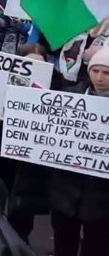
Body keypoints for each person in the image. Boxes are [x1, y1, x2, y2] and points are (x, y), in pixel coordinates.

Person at [47, 46, 109, 256]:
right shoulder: (67, 97)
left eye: (107, 73)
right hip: (65, 192)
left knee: (96, 247)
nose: (99, 77)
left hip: (102, 198)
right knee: (63, 245)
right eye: (95, 71)